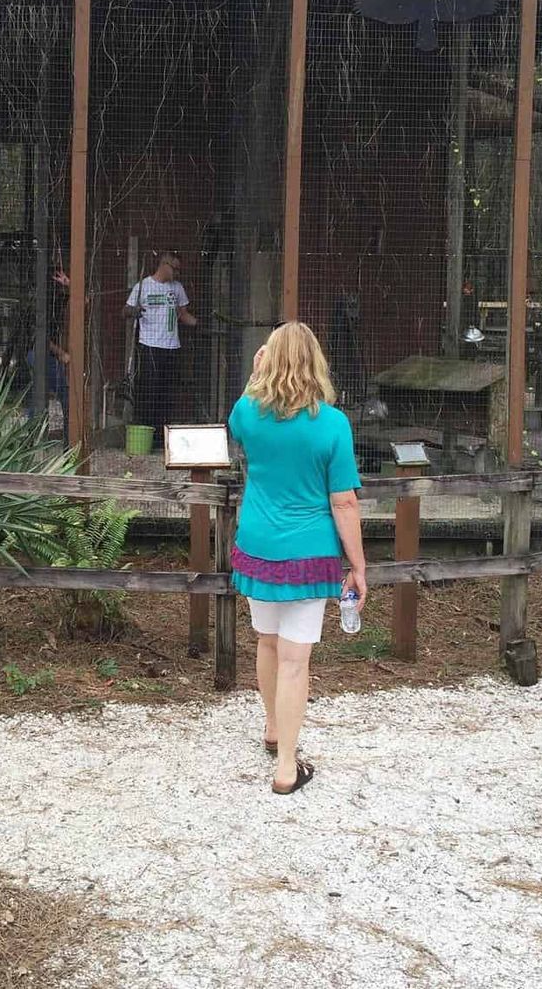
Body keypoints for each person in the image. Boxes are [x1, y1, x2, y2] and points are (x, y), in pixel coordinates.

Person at [228, 321, 367, 795]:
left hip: (258, 545)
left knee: (267, 644)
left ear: (269, 360)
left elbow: (236, 422)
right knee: (295, 660)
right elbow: (344, 501)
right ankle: (287, 764)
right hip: (310, 553)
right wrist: (359, 565)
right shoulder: (332, 423)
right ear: (316, 363)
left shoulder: (249, 412)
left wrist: (254, 373)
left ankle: (271, 726)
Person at [124, 251, 197, 445]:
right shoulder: (143, 286)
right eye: (175, 269)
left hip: (172, 346)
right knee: (150, 391)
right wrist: (135, 311)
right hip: (149, 345)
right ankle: (147, 435)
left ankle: (162, 439)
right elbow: (126, 310)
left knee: (168, 392)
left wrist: (199, 324)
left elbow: (183, 314)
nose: (177, 273)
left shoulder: (177, 288)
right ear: (164, 265)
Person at [26, 269, 69, 431]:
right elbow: (41, 337)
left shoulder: (51, 299)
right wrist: (61, 353)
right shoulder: (47, 303)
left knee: (39, 392)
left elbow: (84, 300)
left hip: (34, 354)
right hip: (41, 354)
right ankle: (69, 435)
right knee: (65, 393)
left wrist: (69, 284)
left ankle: (30, 435)